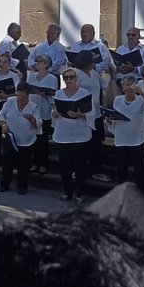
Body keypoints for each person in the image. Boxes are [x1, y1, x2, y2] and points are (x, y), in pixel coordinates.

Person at [51, 67, 95, 203]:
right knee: (65, 167)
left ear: (76, 79)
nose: (69, 80)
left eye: (72, 77)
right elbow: (53, 110)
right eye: (66, 77)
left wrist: (80, 115)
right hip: (63, 134)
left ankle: (79, 193)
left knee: (80, 167)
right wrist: (54, 114)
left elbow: (92, 113)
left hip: (80, 135)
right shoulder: (58, 93)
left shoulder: (85, 93)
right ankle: (67, 191)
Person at [109, 73, 144, 191]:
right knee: (121, 171)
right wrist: (110, 119)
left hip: (137, 140)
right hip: (121, 139)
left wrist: (142, 92)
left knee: (139, 172)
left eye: (132, 85)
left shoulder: (142, 100)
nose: (129, 88)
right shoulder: (117, 100)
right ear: (123, 87)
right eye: (127, 85)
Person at [0, 83, 39, 195]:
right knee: (7, 163)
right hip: (10, 139)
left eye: (22, 96)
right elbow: (1, 117)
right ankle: (4, 184)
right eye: (18, 95)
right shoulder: (10, 102)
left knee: (23, 165)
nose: (20, 98)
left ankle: (22, 186)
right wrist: (3, 125)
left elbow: (38, 125)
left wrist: (32, 119)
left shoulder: (33, 107)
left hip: (26, 140)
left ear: (28, 95)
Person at [73, 50, 110, 182]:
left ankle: (96, 170)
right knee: (83, 144)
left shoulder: (94, 73)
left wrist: (110, 74)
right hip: (83, 114)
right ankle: (79, 170)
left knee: (96, 143)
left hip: (96, 113)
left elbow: (104, 85)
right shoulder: (76, 73)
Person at [25, 54, 59, 175]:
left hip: (44, 111)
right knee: (33, 138)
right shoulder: (31, 76)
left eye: (40, 61)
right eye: (37, 61)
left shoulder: (52, 78)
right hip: (32, 110)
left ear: (46, 64)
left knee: (43, 140)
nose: (37, 63)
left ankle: (43, 163)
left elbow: (53, 96)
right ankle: (35, 162)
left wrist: (44, 93)